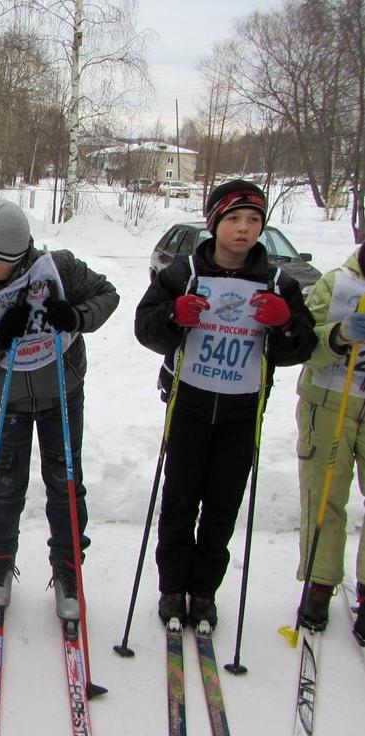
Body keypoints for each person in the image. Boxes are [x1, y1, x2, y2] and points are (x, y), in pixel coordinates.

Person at [135, 179, 316, 629]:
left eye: (253, 220)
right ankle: (172, 589)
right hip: (189, 404)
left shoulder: (278, 282)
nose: (243, 229)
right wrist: (174, 315)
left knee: (222, 507)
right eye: (234, 219)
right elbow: (146, 328)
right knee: (179, 502)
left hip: (242, 410)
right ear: (215, 223)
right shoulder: (183, 274)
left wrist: (285, 323)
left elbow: (301, 347)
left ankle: (204, 593)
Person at [0, 200, 119, 619]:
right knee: (5, 482)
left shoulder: (56, 268)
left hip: (62, 391)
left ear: (3, 259)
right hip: (7, 400)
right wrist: (0, 336)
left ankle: (67, 567)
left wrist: (75, 315)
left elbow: (107, 295)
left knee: (65, 481)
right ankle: (1, 561)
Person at [293, 241, 365, 644]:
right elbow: (304, 344)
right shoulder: (337, 283)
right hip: (329, 401)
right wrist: (337, 335)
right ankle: (320, 582)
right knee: (324, 495)